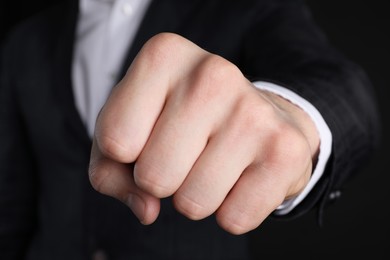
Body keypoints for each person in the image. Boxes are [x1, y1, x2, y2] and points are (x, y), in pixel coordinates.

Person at [0, 0, 381, 259]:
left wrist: (291, 119)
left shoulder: (241, 7)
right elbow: (14, 197)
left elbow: (343, 88)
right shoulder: (25, 40)